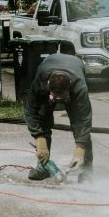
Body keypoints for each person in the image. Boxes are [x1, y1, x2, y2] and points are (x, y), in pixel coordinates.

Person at [24, 53, 93, 181]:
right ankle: (42, 168)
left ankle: (87, 170)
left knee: (79, 125)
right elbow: (30, 111)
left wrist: (80, 148)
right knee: (43, 118)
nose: (58, 101)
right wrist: (39, 138)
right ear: (48, 85)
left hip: (75, 64)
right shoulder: (40, 81)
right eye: (55, 97)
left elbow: (84, 119)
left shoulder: (79, 87)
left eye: (62, 97)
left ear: (70, 86)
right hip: (49, 64)